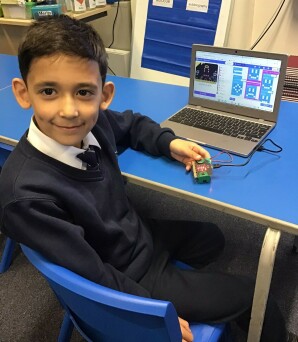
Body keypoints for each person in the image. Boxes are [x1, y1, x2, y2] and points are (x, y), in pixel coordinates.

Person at [0, 16, 287, 342]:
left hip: (136, 234)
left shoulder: (92, 124)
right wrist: (149, 312)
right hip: (130, 273)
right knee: (254, 296)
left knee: (214, 238)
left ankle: (200, 295)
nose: (69, 110)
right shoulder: (26, 194)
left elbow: (133, 125)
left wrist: (169, 143)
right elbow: (90, 274)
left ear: (104, 95)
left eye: (83, 92)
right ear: (23, 93)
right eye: (49, 91)